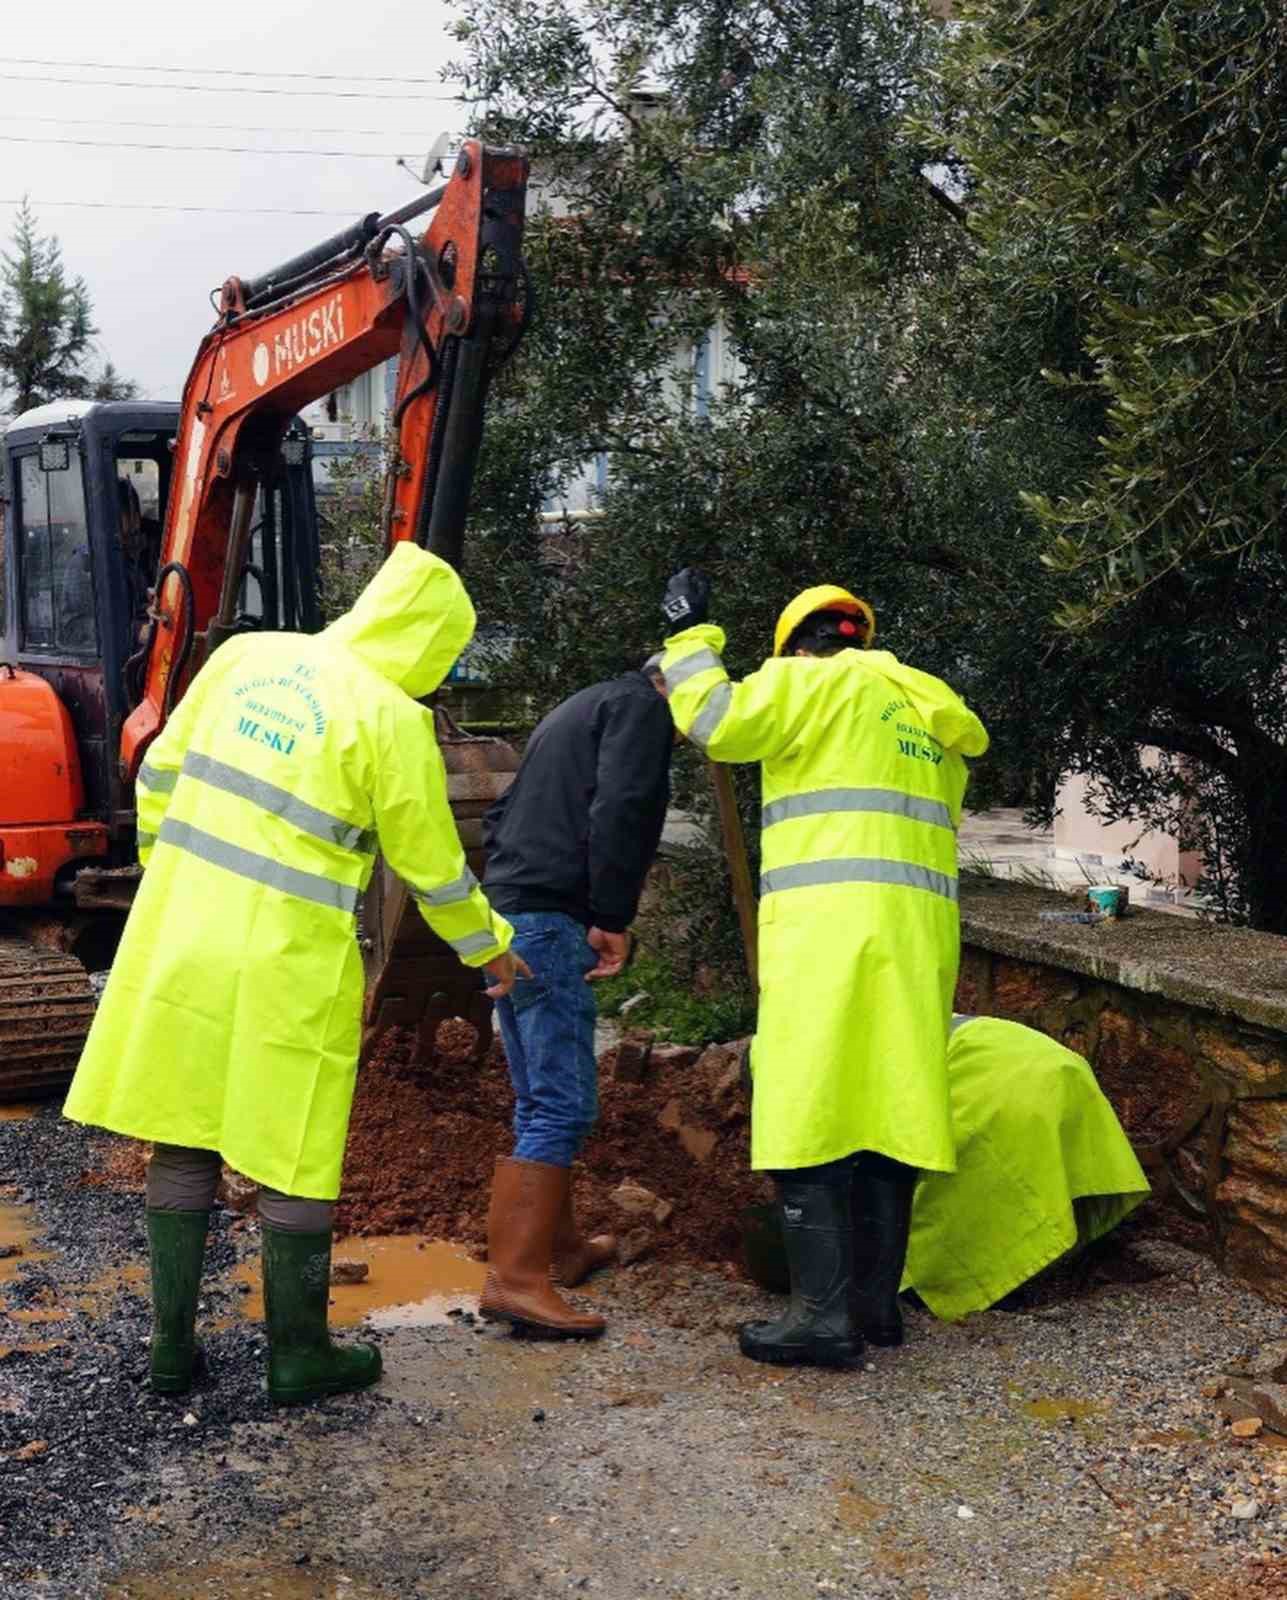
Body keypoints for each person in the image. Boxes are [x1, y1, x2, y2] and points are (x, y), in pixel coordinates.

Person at [64, 544, 526, 1404]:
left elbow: (158, 771)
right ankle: (298, 1356)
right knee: (292, 1150)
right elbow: (433, 870)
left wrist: (172, 875)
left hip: (183, 936)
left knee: (182, 1126)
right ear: (428, 643)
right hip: (287, 960)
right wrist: (489, 948)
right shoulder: (390, 719)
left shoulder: (245, 656)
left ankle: (170, 1353)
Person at [659, 570, 988, 1368]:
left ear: (794, 644)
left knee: (807, 1102)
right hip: (914, 937)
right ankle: (875, 1307)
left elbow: (715, 718)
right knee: (892, 1101)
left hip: (826, 931)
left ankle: (822, 1320)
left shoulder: (807, 682)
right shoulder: (926, 706)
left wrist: (687, 636)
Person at [478, 654, 676, 1338]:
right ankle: (516, 1281)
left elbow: (501, 810)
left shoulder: (577, 704)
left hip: (507, 911)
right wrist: (612, 915)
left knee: (537, 1097)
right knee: (562, 1101)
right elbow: (623, 807)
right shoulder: (644, 710)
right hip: (551, 919)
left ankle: (556, 1253)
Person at [744, 1014, 1151, 1320]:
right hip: (1050, 1067)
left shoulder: (792, 1075)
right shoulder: (841, 1027)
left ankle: (990, 1282)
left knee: (930, 1207)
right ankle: (1054, 1255)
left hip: (995, 1092)